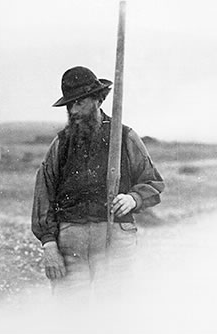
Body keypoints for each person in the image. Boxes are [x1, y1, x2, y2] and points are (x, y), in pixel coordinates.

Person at [32, 66, 165, 288]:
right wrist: (49, 245)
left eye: (80, 103)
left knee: (114, 309)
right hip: (70, 243)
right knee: (69, 310)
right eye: (69, 105)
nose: (73, 111)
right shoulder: (60, 144)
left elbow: (153, 182)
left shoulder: (124, 137)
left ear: (98, 100)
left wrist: (133, 198)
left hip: (115, 238)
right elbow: (44, 194)